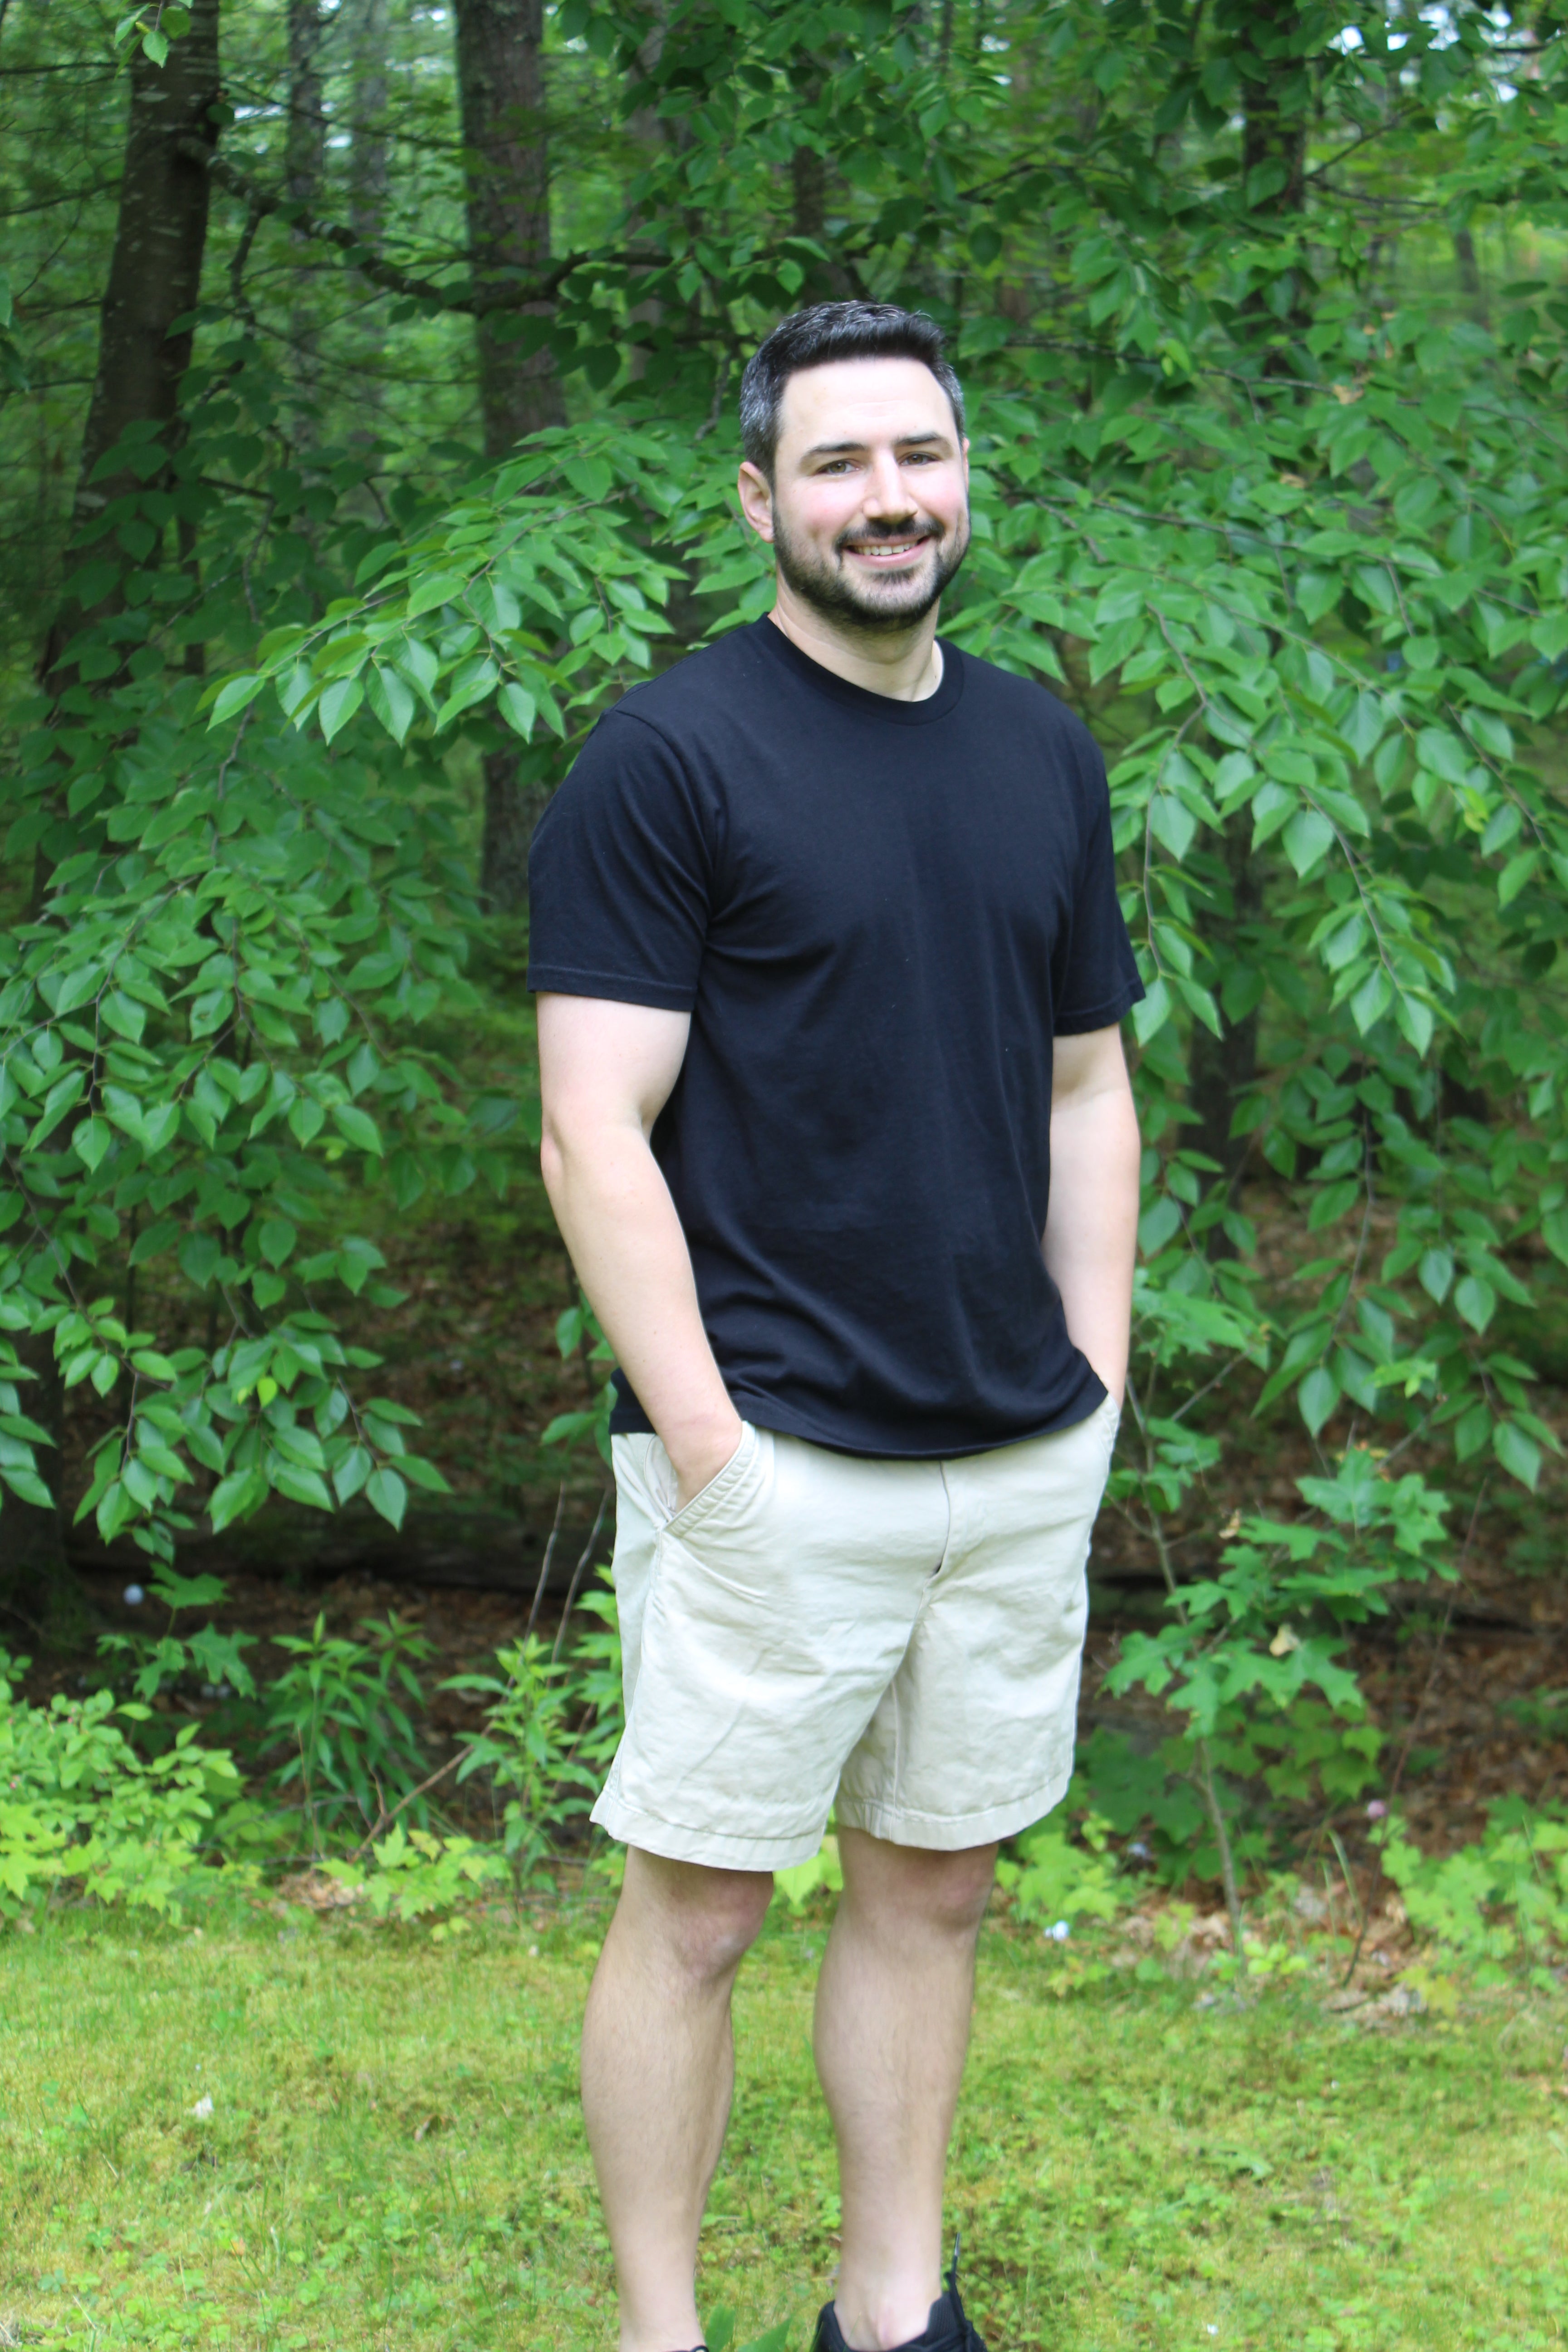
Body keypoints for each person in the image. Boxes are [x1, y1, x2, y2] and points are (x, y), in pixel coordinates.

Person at [528, 301, 1143, 2352]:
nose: (889, 497)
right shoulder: (671, 758)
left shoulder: (1043, 749)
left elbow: (1084, 1090)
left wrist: (1098, 1387)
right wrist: (706, 1451)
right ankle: (659, 2327)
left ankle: (892, 2308)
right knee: (698, 1907)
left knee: (937, 1886)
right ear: (760, 499)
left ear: (968, 475)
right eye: (836, 463)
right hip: (773, 1449)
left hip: (1008, 1450)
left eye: (919, 455)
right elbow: (590, 1127)